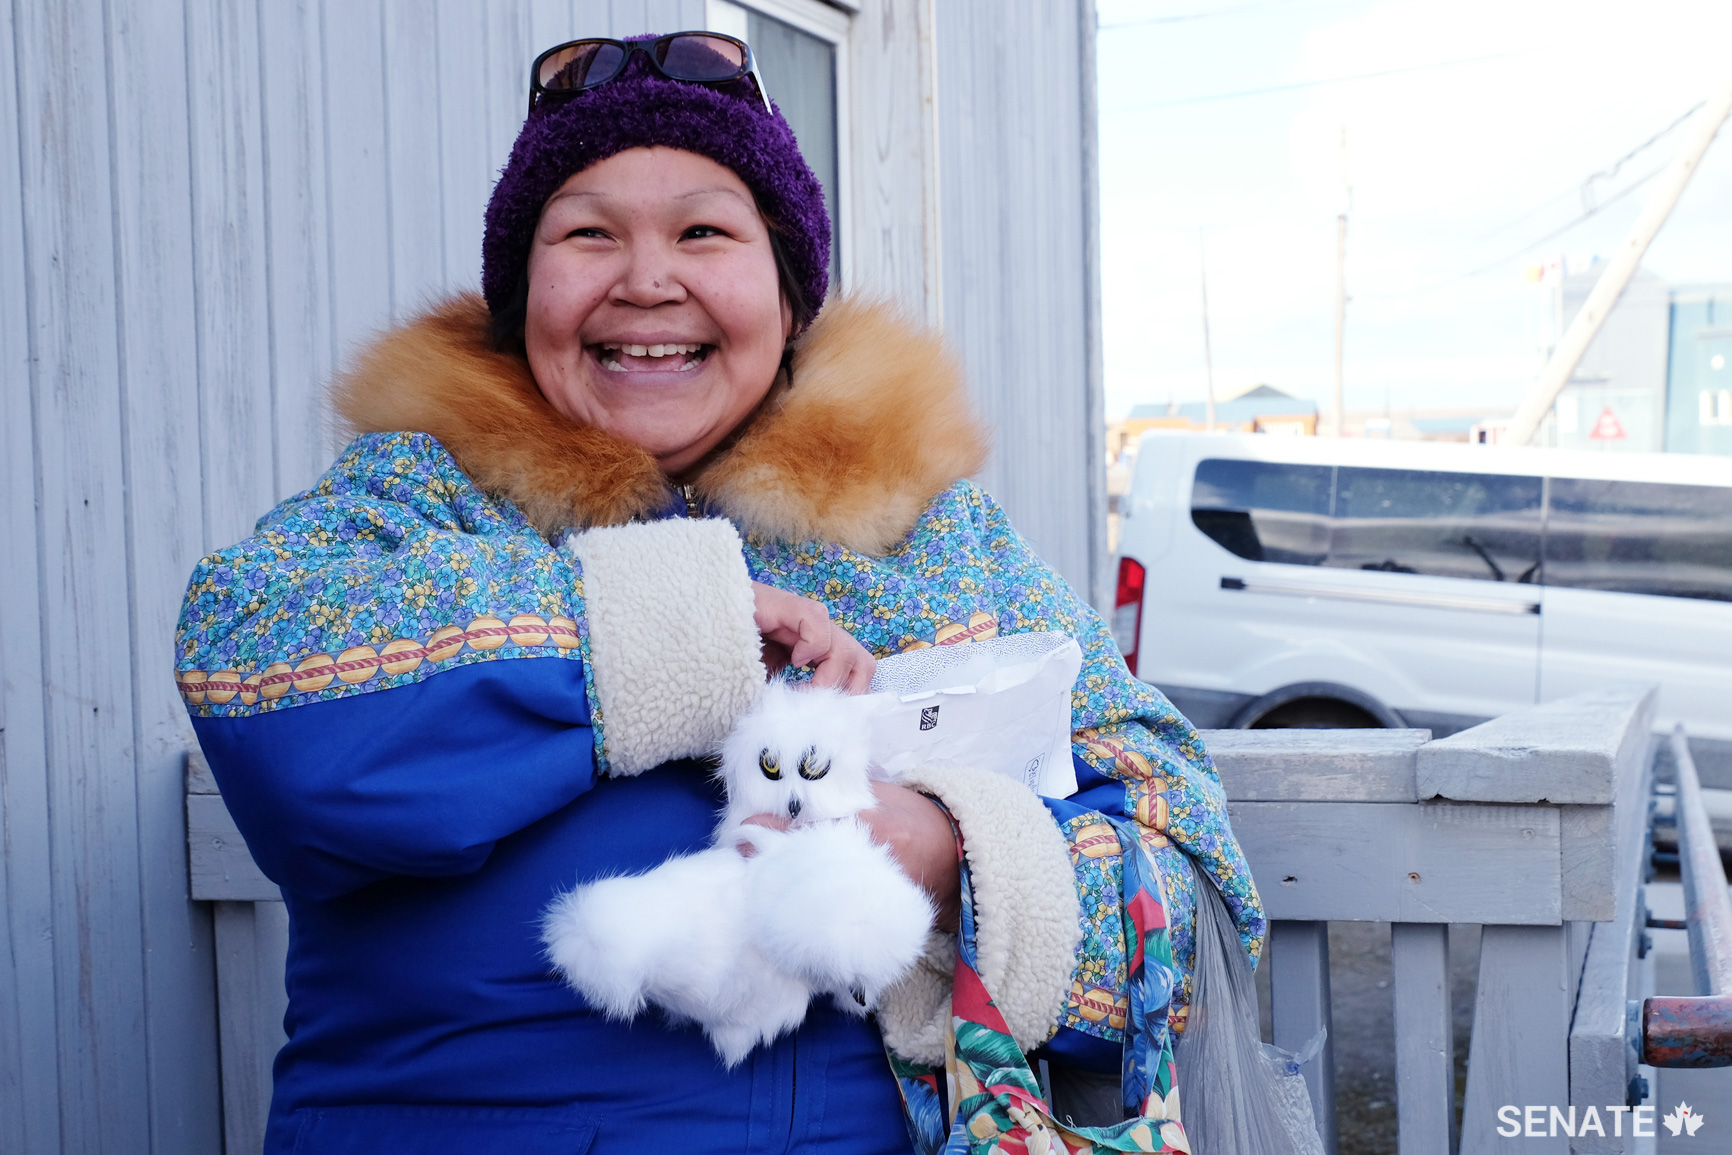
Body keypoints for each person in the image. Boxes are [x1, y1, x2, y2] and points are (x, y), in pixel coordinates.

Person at [174, 31, 1264, 1154]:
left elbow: (1185, 882)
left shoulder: (930, 539)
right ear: (521, 297)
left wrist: (945, 855)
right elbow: (262, 691)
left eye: (704, 231)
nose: (647, 281)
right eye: (587, 233)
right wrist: (678, 632)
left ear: (788, 300)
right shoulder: (414, 498)